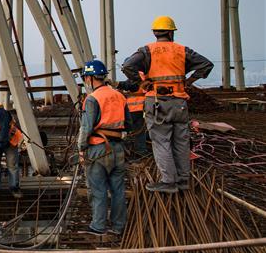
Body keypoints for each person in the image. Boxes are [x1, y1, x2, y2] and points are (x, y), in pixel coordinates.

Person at [121, 16, 214, 193]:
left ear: (155, 33)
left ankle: (169, 182)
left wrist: (143, 82)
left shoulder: (147, 50)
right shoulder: (182, 50)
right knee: (181, 142)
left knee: (161, 141)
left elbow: (127, 66)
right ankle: (183, 181)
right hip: (179, 102)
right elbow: (206, 64)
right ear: (171, 32)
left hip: (157, 102)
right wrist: (190, 80)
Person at [77, 60, 127, 236]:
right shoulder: (119, 95)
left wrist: (81, 150)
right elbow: (128, 123)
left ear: (90, 78)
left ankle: (98, 226)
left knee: (98, 190)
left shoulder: (92, 99)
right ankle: (118, 226)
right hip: (118, 149)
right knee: (118, 190)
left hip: (98, 148)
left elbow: (86, 127)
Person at [117, 81, 149, 158]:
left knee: (131, 133)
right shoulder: (144, 80)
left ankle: (134, 152)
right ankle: (140, 152)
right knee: (139, 133)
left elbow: (131, 86)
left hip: (134, 110)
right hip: (139, 110)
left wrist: (118, 84)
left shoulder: (136, 81)